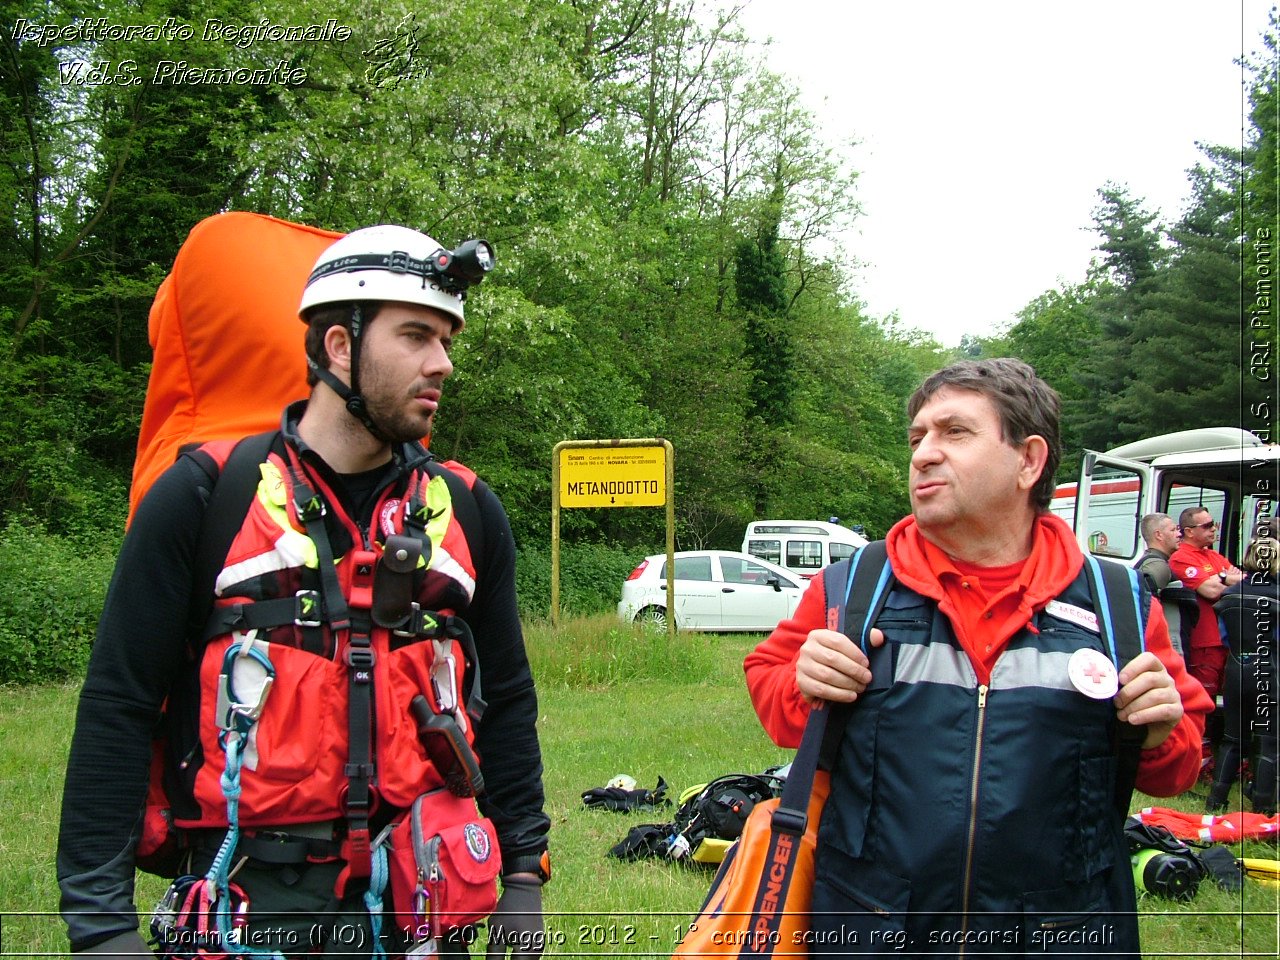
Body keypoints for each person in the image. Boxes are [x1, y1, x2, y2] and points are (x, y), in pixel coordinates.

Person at [57, 225, 551, 957]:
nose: (441, 363)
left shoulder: (468, 511)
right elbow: (119, 705)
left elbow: (505, 698)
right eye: (416, 335)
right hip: (249, 915)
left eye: (446, 339)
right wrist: (100, 926)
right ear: (338, 348)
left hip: (421, 915)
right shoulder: (205, 498)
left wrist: (523, 873)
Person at [744, 358, 1210, 957]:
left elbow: (1178, 768)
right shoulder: (853, 588)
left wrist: (1158, 731)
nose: (922, 454)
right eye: (917, 438)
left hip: (1060, 936)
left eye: (954, 433)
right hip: (874, 929)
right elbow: (773, 692)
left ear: (1028, 460)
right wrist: (802, 682)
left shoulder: (1116, 602)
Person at [1207, 533, 1279, 815]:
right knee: (1270, 742)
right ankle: (1263, 807)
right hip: (1270, 671)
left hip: (1236, 669)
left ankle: (1215, 800)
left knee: (1232, 739)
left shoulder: (1229, 594)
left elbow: (1225, 637)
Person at [1135, 512, 1180, 592]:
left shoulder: (1156, 563)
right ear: (1158, 535)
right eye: (1173, 530)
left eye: (1177, 529)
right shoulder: (1156, 566)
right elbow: (1147, 600)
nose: (1179, 534)